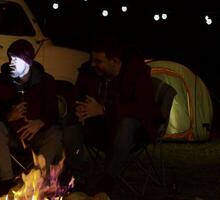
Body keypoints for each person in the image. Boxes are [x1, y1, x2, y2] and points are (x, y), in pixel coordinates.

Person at [63, 35, 162, 194]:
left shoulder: (136, 73)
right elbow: (76, 97)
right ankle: (76, 176)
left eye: (99, 61)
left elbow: (142, 107)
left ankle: (108, 181)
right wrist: (80, 110)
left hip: (131, 135)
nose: (93, 64)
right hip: (99, 129)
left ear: (114, 61)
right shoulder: (89, 71)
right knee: (71, 125)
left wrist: (103, 110)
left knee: (127, 123)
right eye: (92, 60)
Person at [0, 39, 63, 196]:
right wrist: (7, 116)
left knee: (55, 132)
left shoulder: (46, 82)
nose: (11, 63)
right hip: (12, 137)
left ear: (29, 62)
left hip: (37, 136)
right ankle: (7, 183)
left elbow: (54, 114)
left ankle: (35, 179)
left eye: (16, 59)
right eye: (10, 59)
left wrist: (41, 122)